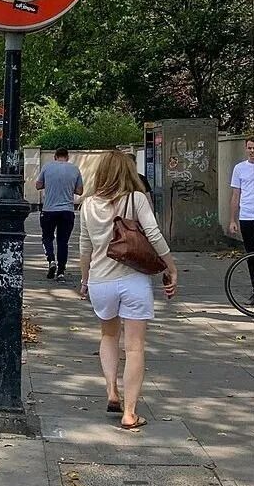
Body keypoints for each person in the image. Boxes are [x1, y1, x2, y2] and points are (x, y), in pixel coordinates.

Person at [78, 150, 178, 431]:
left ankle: (112, 390)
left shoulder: (88, 205)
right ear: (128, 172)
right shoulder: (136, 199)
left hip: (100, 280)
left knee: (108, 335)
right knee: (134, 348)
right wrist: (170, 266)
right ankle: (130, 413)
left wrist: (84, 280)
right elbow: (154, 234)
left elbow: (85, 246)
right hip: (134, 280)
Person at [35, 148, 84, 283]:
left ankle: (51, 260)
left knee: (47, 237)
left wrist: (50, 184)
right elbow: (80, 191)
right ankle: (61, 271)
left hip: (49, 210)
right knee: (63, 241)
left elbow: (38, 185)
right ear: (67, 157)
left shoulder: (47, 167)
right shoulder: (74, 169)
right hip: (67, 211)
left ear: (55, 156)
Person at [228, 136, 254, 305]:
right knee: (251, 256)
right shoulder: (239, 168)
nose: (252, 151)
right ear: (246, 148)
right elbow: (235, 195)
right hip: (247, 217)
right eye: (249, 148)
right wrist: (232, 220)